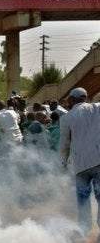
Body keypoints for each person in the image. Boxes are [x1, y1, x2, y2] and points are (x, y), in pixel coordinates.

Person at [60, 87, 100, 237]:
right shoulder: (97, 108)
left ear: (72, 99)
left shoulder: (67, 118)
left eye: (69, 100)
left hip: (80, 164)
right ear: (85, 97)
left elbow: (64, 145)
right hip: (98, 160)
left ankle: (84, 228)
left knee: (83, 196)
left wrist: (63, 164)